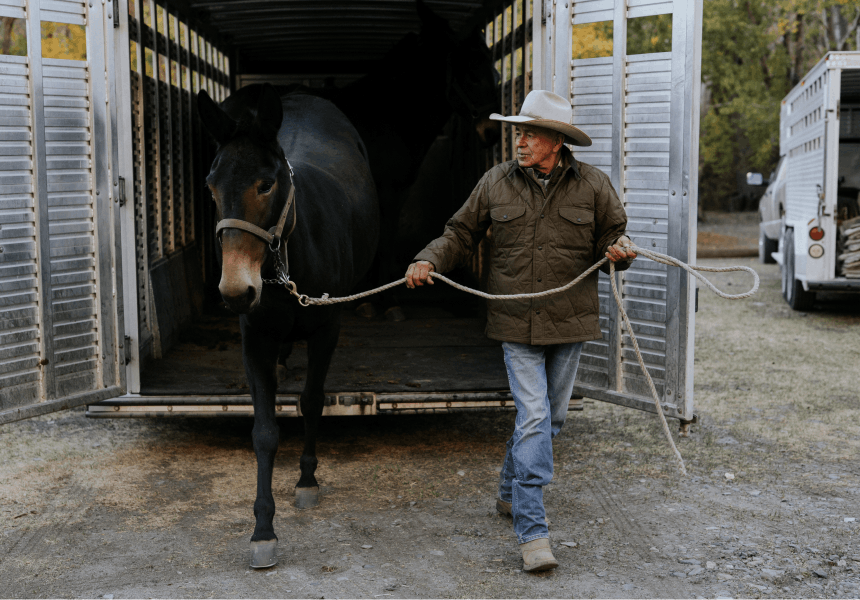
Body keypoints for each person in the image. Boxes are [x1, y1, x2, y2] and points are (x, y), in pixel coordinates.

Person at [404, 89, 636, 572]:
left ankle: (509, 491)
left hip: (569, 322)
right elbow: (460, 234)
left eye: (530, 133)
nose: (520, 140)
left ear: (556, 140)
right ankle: (533, 534)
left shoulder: (594, 185)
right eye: (519, 132)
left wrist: (621, 250)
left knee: (549, 421)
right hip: (515, 323)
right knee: (534, 420)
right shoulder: (496, 182)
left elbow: (614, 235)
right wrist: (429, 258)